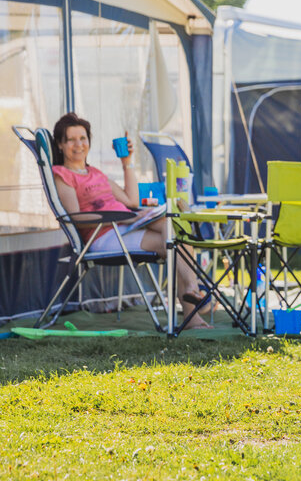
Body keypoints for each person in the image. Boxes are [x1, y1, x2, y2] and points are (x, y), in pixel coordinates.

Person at [50, 112, 210, 328]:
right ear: (60, 145)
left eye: (83, 138)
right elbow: (76, 218)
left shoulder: (95, 172)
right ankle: (194, 292)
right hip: (103, 235)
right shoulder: (62, 175)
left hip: (125, 225)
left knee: (175, 235)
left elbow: (130, 200)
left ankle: (192, 304)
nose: (79, 144)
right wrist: (127, 217)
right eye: (71, 139)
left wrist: (127, 163)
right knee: (172, 234)